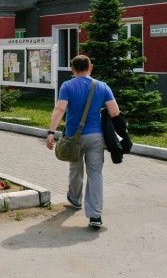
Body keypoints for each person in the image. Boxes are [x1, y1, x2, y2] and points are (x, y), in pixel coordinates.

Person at [45, 55, 120, 228]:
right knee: (95, 173)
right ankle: (95, 215)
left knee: (75, 169)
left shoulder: (67, 86)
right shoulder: (102, 86)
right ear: (90, 67)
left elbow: (60, 109)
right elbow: (115, 112)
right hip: (96, 136)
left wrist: (51, 132)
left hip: (74, 137)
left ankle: (75, 199)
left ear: (72, 69)